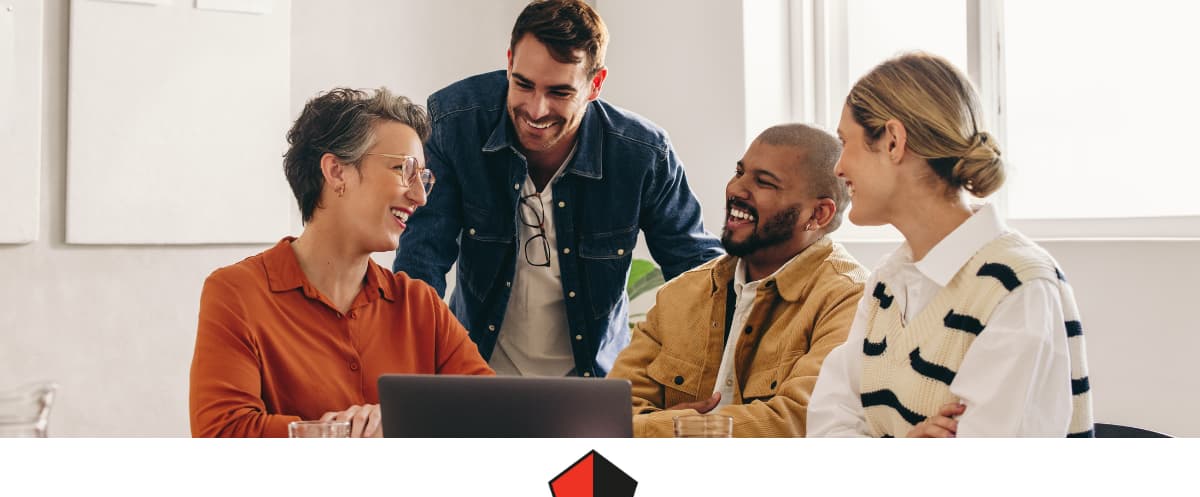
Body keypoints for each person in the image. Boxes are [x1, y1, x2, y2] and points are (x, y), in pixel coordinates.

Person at [393, 0, 722, 379]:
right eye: (523, 84)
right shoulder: (455, 122)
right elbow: (422, 263)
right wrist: (417, 383)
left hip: (593, 385)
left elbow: (700, 276)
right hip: (478, 376)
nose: (536, 110)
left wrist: (683, 384)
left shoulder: (643, 155)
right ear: (509, 62)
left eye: (560, 93)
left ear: (594, 85)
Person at [807, 52, 1093, 437]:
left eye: (846, 142)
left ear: (893, 141)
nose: (838, 168)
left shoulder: (1017, 288)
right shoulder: (887, 284)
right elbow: (826, 427)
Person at [189, 88, 493, 438]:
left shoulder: (420, 306)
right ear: (336, 172)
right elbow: (222, 433)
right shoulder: (236, 294)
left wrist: (396, 421)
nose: (420, 196)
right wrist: (350, 432)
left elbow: (490, 417)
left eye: (423, 178)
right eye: (403, 169)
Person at [607, 124, 867, 437]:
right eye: (739, 172)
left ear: (819, 214)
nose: (736, 189)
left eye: (764, 183)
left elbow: (798, 420)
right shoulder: (681, 293)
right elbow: (612, 414)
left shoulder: (850, 298)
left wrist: (677, 429)